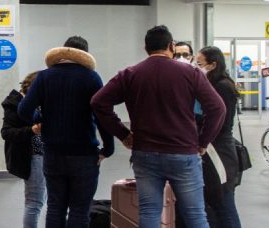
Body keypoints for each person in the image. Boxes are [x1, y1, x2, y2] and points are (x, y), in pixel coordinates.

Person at [91, 26, 226, 228]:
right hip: (184, 153)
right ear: (171, 46)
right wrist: (203, 141)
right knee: (195, 215)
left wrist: (124, 134)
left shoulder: (130, 74)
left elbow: (98, 102)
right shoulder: (191, 73)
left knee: (149, 212)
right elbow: (217, 108)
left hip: (145, 153)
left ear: (146, 48)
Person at [18, 36, 114, 228]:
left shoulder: (45, 76)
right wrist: (108, 148)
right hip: (84, 154)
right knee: (80, 209)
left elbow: (23, 110)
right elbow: (103, 114)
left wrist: (41, 120)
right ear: (85, 54)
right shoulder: (91, 77)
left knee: (55, 207)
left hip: (53, 153)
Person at [196, 46, 242, 228]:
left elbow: (219, 121)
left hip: (219, 152)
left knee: (223, 202)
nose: (196, 67)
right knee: (214, 203)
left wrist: (193, 119)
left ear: (213, 65)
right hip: (213, 150)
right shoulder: (212, 85)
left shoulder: (222, 87)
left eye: (199, 64)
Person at [2, 71, 46, 228]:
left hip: (43, 155)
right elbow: (6, 132)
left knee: (38, 200)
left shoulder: (32, 104)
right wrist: (32, 130)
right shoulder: (15, 104)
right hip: (33, 157)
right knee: (34, 202)